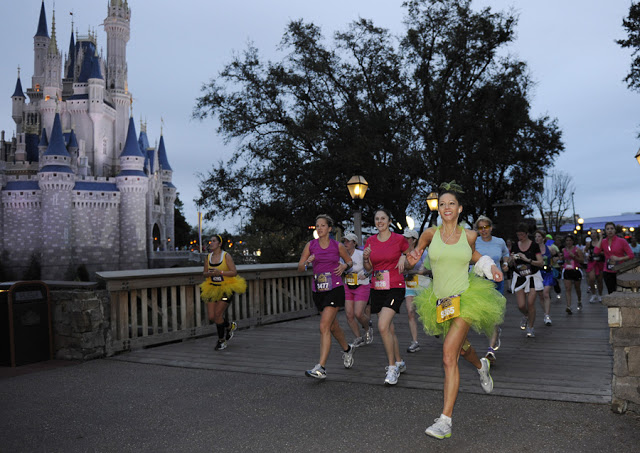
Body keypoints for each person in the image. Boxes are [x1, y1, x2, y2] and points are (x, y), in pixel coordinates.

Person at [407, 182, 506, 440]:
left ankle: (445, 420)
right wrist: (409, 257)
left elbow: (475, 257)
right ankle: (481, 365)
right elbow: (415, 254)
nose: (446, 207)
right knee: (462, 348)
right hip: (439, 302)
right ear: (438, 209)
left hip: (465, 298)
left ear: (459, 208)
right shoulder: (429, 233)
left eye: (451, 203)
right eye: (442, 204)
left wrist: (490, 267)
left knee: (449, 355)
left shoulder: (469, 235)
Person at [298, 215, 356, 379]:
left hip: (335, 289)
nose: (319, 228)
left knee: (324, 326)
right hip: (318, 291)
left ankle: (321, 367)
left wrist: (344, 265)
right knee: (332, 326)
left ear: (329, 229)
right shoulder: (311, 245)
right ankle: (347, 349)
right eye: (317, 226)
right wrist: (307, 262)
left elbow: (350, 262)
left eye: (323, 225)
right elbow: (300, 267)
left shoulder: (337, 246)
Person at [363, 208, 409, 386]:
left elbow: (411, 252)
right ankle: (399, 361)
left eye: (383, 218)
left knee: (382, 326)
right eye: (377, 219)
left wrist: (404, 256)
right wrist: (366, 259)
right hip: (377, 287)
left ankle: (391, 367)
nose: (379, 221)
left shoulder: (399, 239)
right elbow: (368, 269)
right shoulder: (370, 241)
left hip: (395, 286)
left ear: (389, 221)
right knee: (388, 328)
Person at [200, 235, 247, 351]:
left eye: (214, 241)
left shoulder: (226, 256)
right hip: (211, 288)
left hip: (226, 289)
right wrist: (210, 274)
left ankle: (221, 341)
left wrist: (220, 272)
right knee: (212, 316)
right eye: (210, 241)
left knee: (218, 314)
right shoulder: (208, 257)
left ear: (219, 244)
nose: (211, 243)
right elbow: (204, 273)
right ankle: (229, 326)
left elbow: (234, 272)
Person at [473, 216, 509, 364]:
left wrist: (505, 263)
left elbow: (506, 254)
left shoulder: (499, 242)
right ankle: (494, 334)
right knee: (481, 317)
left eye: (486, 227)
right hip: (478, 282)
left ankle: (491, 350)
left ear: (491, 227)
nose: (483, 230)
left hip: (496, 281)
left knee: (494, 316)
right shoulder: (473, 242)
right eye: (480, 228)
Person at [509, 224, 544, 338]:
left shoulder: (534, 246)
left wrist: (527, 259)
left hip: (532, 276)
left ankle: (531, 327)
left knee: (530, 303)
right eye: (518, 235)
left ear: (527, 234)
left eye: (522, 235)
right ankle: (526, 315)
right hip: (520, 276)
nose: (520, 237)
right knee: (521, 305)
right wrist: (512, 259)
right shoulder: (515, 245)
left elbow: (541, 262)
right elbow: (511, 263)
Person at [341, 232, 373, 347]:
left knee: (359, 313)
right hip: (348, 286)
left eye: (348, 241)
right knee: (349, 315)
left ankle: (368, 327)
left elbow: (371, 267)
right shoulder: (342, 256)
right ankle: (358, 338)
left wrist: (366, 274)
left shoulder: (360, 254)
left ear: (354, 243)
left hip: (362, 285)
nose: (345, 243)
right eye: (344, 241)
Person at [403, 229, 431, 353]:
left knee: (426, 313)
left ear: (414, 240)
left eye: (408, 238)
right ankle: (415, 342)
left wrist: (413, 272)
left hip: (424, 285)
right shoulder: (402, 253)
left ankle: (436, 330)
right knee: (410, 312)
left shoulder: (424, 252)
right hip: (410, 285)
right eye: (404, 237)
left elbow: (428, 271)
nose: (405, 240)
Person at [593, 222, 634, 294]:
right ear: (605, 231)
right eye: (607, 229)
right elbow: (596, 252)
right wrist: (601, 238)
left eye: (612, 228)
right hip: (608, 270)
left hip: (620, 270)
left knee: (620, 292)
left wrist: (619, 259)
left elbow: (631, 255)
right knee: (611, 292)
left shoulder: (622, 241)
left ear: (615, 230)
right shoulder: (603, 241)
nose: (610, 230)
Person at [534, 230, 555, 326]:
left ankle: (547, 316)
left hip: (547, 273)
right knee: (541, 295)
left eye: (539, 236)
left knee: (546, 293)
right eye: (536, 237)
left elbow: (556, 257)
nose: (537, 238)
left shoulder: (549, 248)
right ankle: (545, 312)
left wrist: (555, 260)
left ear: (543, 238)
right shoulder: (533, 249)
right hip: (538, 273)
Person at [561, 235, 585, 314]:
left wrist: (574, 256)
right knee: (568, 288)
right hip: (567, 270)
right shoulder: (563, 250)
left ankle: (579, 300)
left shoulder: (577, 249)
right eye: (567, 240)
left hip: (576, 270)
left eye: (570, 240)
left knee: (577, 288)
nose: (568, 242)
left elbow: (582, 260)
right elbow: (562, 259)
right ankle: (568, 306)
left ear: (573, 241)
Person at [584, 236, 604, 303]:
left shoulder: (601, 242)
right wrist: (587, 255)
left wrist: (599, 252)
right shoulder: (589, 244)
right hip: (592, 262)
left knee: (600, 280)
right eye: (592, 233)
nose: (593, 234)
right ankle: (593, 294)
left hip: (600, 262)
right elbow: (585, 251)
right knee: (591, 279)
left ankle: (600, 295)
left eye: (594, 233)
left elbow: (605, 251)